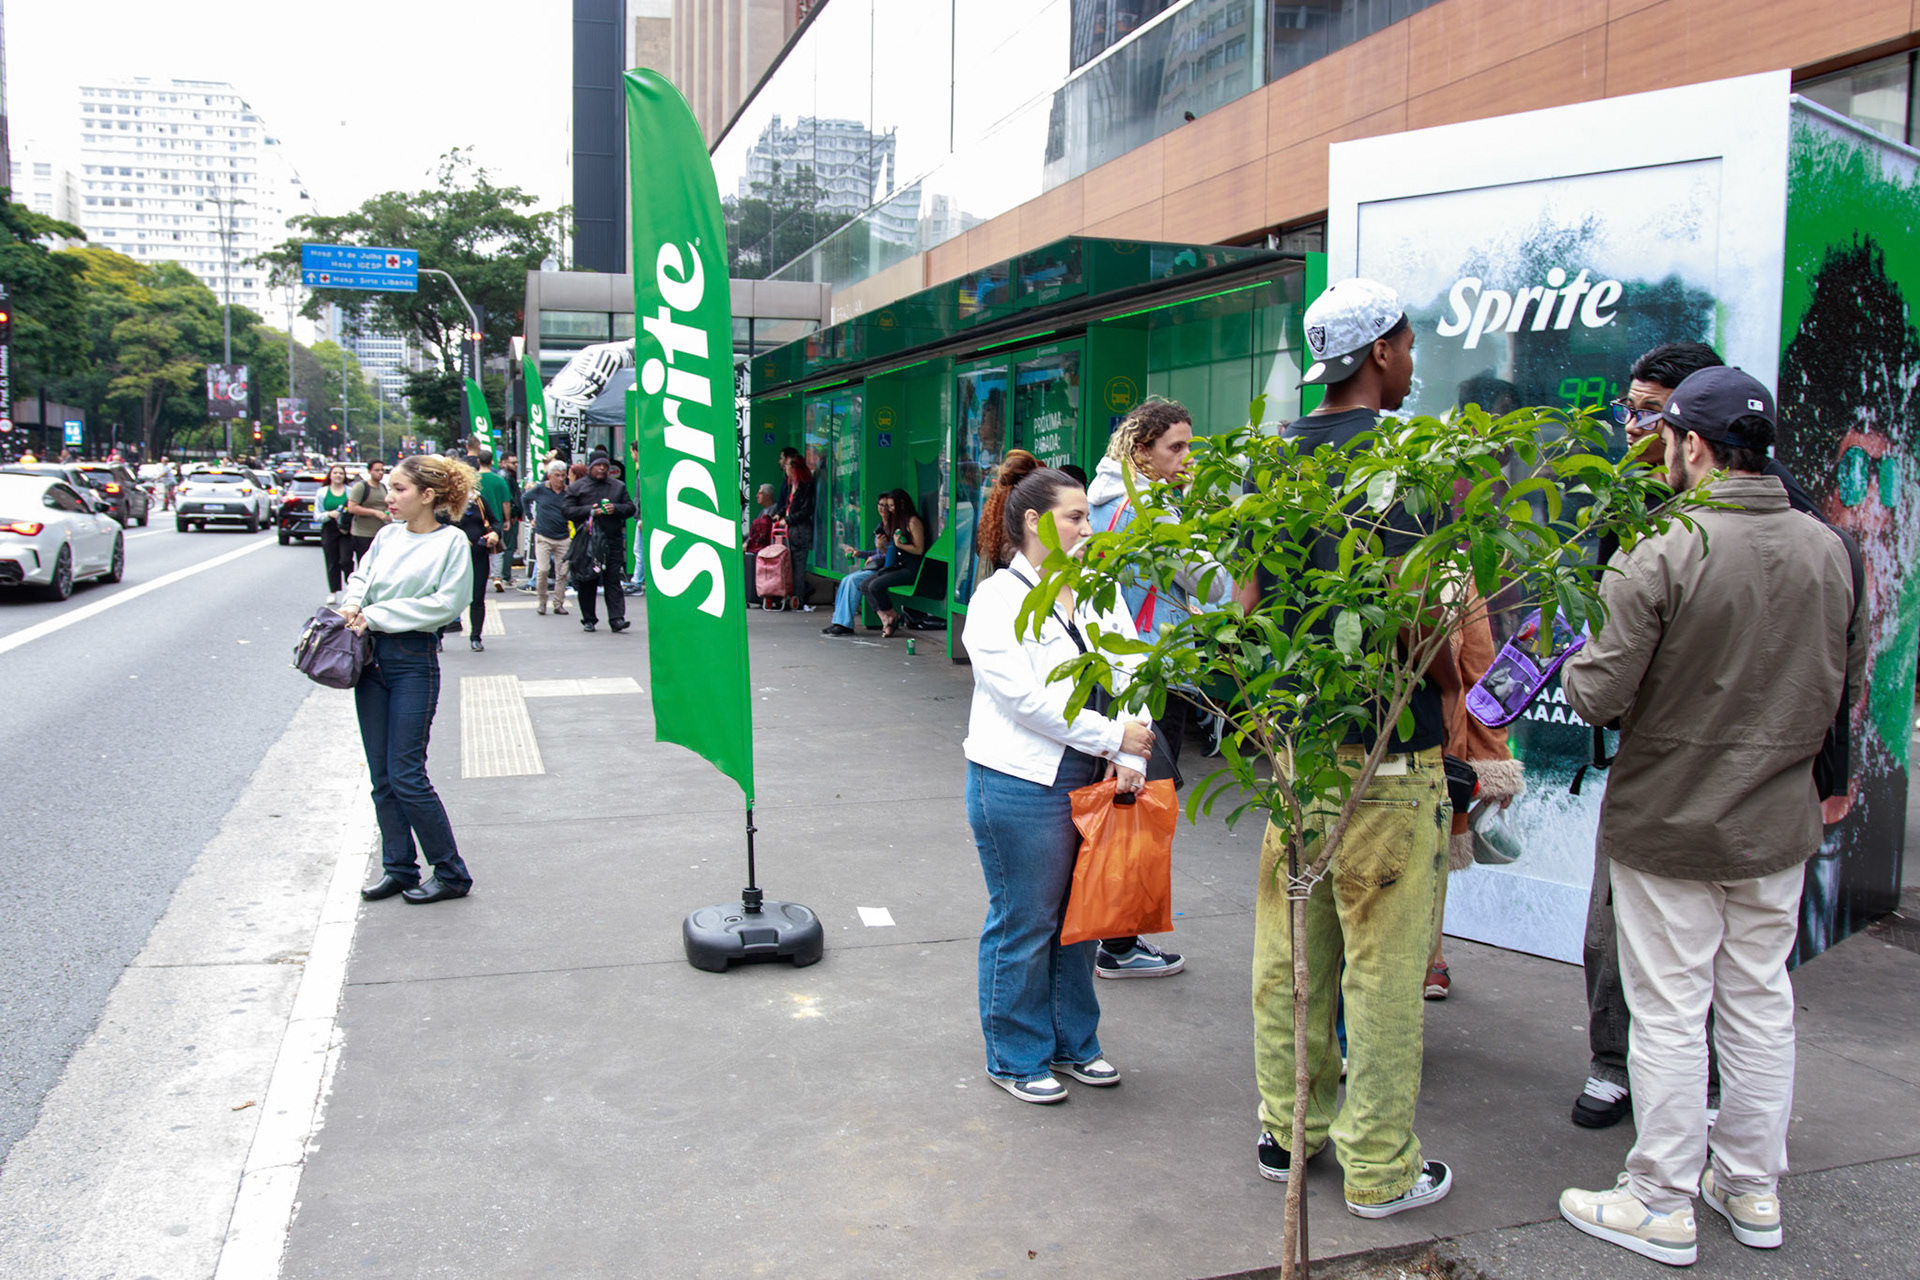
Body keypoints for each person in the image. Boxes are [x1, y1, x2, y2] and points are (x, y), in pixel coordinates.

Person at [1556, 367, 1864, 1265]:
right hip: (1778, 821)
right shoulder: (1827, 548)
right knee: (1761, 1002)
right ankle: (1751, 1185)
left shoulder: (1662, 547)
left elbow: (1600, 694)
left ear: (1691, 444)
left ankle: (1660, 1195)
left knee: (1669, 1008)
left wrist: (1574, 668)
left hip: (1670, 821)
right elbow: (1839, 683)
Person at [1248, 278, 1458, 1218]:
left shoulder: (1268, 462)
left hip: (1299, 756)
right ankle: (1378, 1168)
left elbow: (1248, 613)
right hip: (1386, 757)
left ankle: (1289, 1130)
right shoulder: (1406, 465)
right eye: (1408, 346)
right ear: (1380, 352)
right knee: (1380, 971)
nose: (1413, 363)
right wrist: (1450, 687)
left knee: (1294, 954)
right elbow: (1420, 620)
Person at [962, 449, 1155, 1104]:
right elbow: (1025, 700)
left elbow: (1133, 670)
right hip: (1018, 784)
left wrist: (1131, 753)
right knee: (1027, 919)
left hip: (1091, 776)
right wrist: (1112, 737)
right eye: (1076, 517)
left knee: (1082, 919)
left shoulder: (1097, 593)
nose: (1088, 528)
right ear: (1039, 526)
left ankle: (1075, 1042)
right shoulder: (994, 601)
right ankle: (1015, 1054)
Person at [1086, 397, 1232, 978]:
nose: (1186, 458)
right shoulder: (1153, 512)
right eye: (1176, 447)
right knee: (1145, 805)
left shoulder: (1099, 502)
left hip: (1109, 671)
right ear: (1141, 451)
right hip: (1157, 672)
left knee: (1125, 797)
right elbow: (1216, 585)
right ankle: (1118, 944)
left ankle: (1111, 935)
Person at [338, 454, 479, 905]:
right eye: (390, 488)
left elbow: (447, 604)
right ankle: (398, 868)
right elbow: (362, 576)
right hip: (371, 661)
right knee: (381, 776)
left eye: (399, 489)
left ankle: (451, 873)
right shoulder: (385, 535)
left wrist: (376, 614)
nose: (389, 496)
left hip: (413, 660)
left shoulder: (452, 542)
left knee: (407, 775)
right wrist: (351, 604)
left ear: (428, 495)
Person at [563, 453, 636, 633]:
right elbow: (566, 510)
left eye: (605, 465)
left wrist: (615, 508)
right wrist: (589, 511)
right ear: (590, 467)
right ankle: (589, 619)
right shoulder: (578, 487)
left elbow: (630, 508)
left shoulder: (618, 486)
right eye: (598, 465)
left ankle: (617, 618)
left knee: (613, 579)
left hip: (612, 541)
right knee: (588, 580)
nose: (602, 469)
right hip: (587, 542)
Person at [822, 493, 896, 636]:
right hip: (877, 565)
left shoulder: (894, 528)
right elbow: (877, 552)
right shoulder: (880, 526)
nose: (882, 508)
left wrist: (876, 554)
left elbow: (892, 553)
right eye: (880, 505)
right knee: (845, 580)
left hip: (886, 568)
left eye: (886, 505)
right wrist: (859, 553)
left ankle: (845, 624)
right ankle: (839, 622)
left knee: (853, 581)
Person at [453, 462, 501, 652]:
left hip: (478, 554)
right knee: (450, 596)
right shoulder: (445, 504)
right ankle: (438, 636)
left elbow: (495, 521)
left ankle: (476, 637)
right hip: (454, 558)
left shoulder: (478, 500)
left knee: (477, 597)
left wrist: (495, 534)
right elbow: (437, 527)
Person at [866, 489, 927, 637]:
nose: (890, 510)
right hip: (898, 566)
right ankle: (891, 617)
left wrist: (900, 545)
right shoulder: (897, 521)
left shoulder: (913, 521)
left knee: (875, 586)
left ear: (901, 504)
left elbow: (919, 549)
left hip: (911, 569)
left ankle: (891, 618)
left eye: (892, 506)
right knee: (865, 585)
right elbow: (893, 549)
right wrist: (882, 547)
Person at [522, 460, 572, 616]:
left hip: (563, 536)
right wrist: (530, 517)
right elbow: (525, 498)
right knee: (543, 570)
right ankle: (542, 601)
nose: (560, 479)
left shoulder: (568, 491)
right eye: (557, 476)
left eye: (563, 476)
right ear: (550, 476)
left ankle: (558, 603)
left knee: (562, 572)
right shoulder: (540, 489)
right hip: (543, 535)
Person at [776, 447, 816, 612]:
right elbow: (786, 505)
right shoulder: (791, 485)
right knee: (789, 565)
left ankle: (797, 598)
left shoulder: (804, 486)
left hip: (799, 529)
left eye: (788, 467)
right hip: (789, 528)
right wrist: (780, 515)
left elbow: (806, 510)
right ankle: (788, 596)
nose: (786, 470)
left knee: (798, 566)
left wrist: (788, 519)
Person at [474, 449, 513, 593]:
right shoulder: (499, 480)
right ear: (492, 462)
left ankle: (479, 577)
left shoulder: (472, 480)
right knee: (497, 549)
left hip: (476, 520)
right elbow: (506, 503)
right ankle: (497, 576)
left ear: (478, 461)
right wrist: (507, 519)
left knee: (478, 549)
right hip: (495, 520)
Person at [316, 463, 356, 605]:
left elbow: (354, 509)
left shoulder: (350, 491)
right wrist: (329, 514)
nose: (338, 476)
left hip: (345, 529)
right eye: (335, 473)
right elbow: (316, 515)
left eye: (341, 473)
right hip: (329, 528)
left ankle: (352, 590)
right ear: (330, 476)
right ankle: (333, 591)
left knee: (346, 560)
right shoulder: (322, 492)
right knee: (332, 560)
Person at [345, 460, 392, 562]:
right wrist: (375, 512)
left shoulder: (383, 487)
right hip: (363, 533)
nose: (380, 473)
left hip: (379, 533)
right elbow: (352, 507)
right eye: (377, 470)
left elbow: (385, 505)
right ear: (369, 471)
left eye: (382, 470)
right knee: (365, 563)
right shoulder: (361, 487)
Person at [745, 483, 778, 606]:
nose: (756, 496)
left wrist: (747, 543)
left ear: (767, 495)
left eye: (760, 493)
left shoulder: (773, 510)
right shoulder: (763, 511)